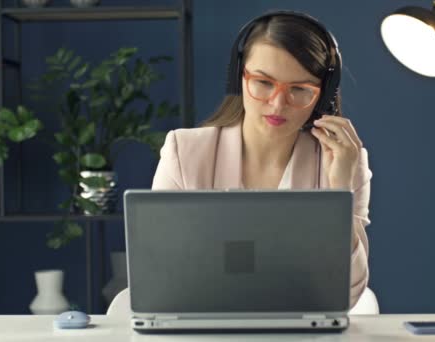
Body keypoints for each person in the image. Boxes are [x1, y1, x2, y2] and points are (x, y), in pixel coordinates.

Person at [151, 11, 372, 309]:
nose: (278, 104)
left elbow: (349, 294)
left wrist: (340, 189)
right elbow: (162, 275)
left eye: (299, 90)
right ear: (238, 77)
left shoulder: (344, 163)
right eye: (264, 83)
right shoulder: (184, 153)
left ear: (323, 96)